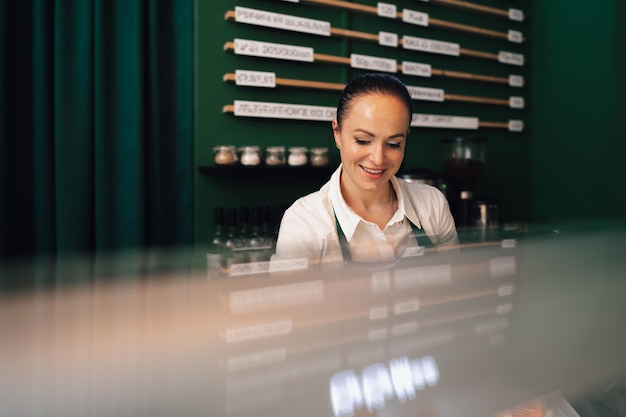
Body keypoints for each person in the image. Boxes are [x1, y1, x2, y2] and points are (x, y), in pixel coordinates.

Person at [272, 73, 458, 268]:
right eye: (363, 141)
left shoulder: (432, 205)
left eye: (393, 144)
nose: (378, 158)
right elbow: (290, 298)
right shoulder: (304, 223)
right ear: (337, 133)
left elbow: (453, 284)